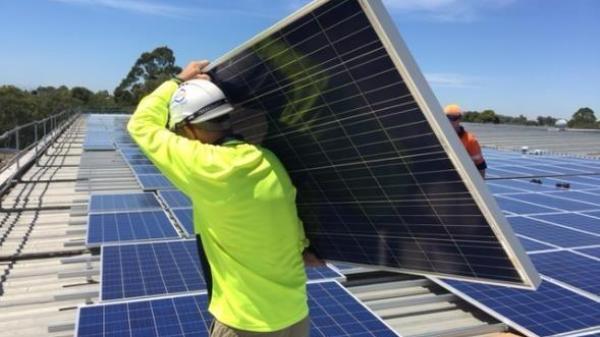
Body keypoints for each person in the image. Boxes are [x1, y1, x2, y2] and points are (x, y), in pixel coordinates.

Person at [128, 60, 320, 337]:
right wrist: (304, 247)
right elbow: (286, 216)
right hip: (295, 315)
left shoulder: (206, 166)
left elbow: (141, 125)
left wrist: (177, 80)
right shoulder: (268, 160)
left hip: (245, 322)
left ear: (189, 128)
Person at [444, 104, 487, 178]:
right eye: (447, 118)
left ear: (459, 119)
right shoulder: (435, 134)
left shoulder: (470, 140)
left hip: (459, 179)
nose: (449, 121)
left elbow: (480, 165)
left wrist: (480, 186)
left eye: (453, 118)